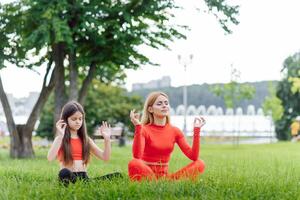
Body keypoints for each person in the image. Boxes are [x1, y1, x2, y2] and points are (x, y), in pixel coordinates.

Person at [128, 91, 206, 181]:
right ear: (150, 109)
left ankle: (167, 183)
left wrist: (197, 130)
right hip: (147, 176)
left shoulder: (175, 131)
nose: (164, 105)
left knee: (200, 163)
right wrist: (138, 127)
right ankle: (154, 184)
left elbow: (193, 156)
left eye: (166, 103)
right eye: (159, 104)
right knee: (134, 163)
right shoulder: (144, 129)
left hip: (166, 178)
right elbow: (137, 156)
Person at [47, 101, 121, 185]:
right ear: (65, 120)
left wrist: (107, 139)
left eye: (80, 118)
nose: (78, 121)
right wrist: (60, 136)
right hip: (68, 175)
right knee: (64, 172)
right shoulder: (60, 139)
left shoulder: (86, 139)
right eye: (74, 119)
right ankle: (70, 183)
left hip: (84, 178)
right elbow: (50, 157)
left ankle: (83, 184)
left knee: (117, 175)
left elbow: (105, 157)